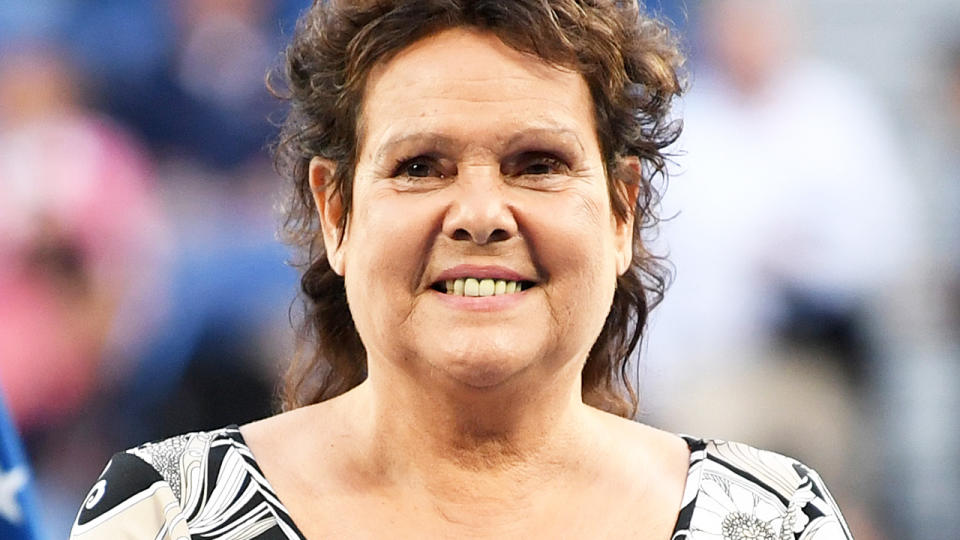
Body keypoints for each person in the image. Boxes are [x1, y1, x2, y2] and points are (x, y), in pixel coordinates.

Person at [70, 1, 852, 538]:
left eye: (538, 163)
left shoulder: (771, 517)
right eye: (420, 165)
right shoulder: (166, 514)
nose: (480, 212)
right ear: (337, 213)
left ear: (621, 212)